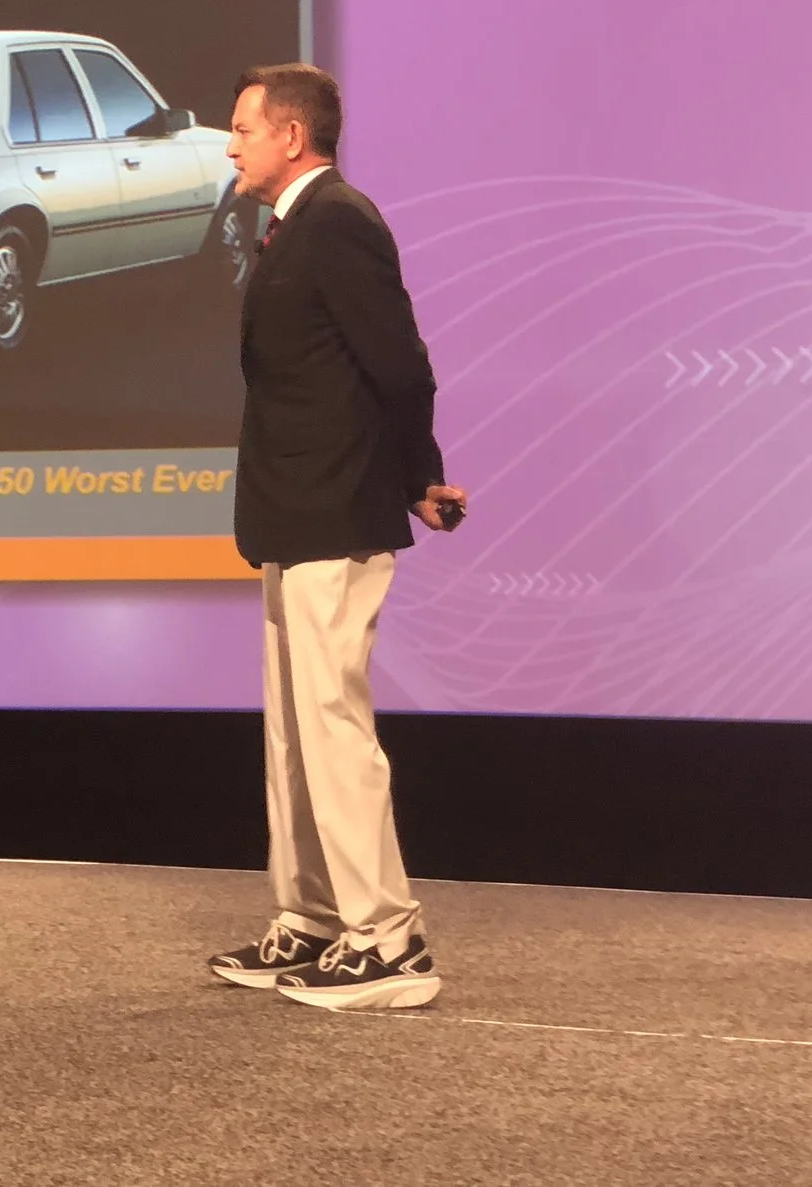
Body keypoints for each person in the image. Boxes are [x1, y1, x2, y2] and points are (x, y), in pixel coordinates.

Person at [205, 62, 467, 1011]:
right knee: (293, 731)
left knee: (332, 723)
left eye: (243, 128)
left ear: (292, 136)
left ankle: (388, 938)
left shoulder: (341, 221)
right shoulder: (294, 225)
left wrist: (419, 474)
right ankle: (313, 917)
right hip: (291, 512)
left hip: (335, 508)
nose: (229, 145)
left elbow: (399, 365)